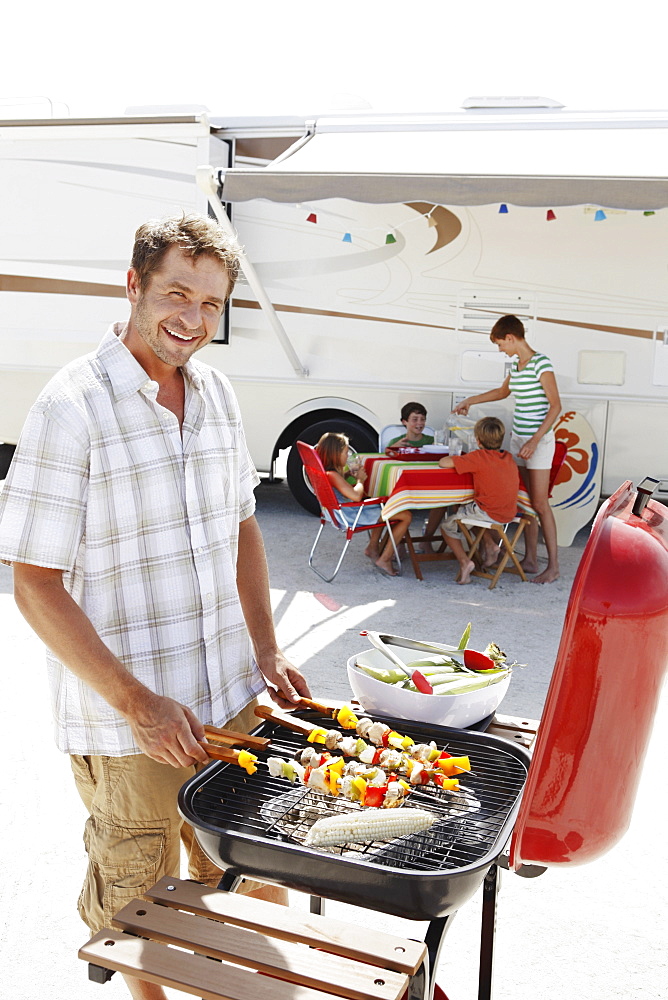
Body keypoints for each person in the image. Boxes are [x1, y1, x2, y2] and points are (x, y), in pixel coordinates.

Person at [0, 214, 311, 1000]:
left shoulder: (219, 393)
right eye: (178, 294)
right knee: (145, 914)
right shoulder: (72, 406)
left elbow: (243, 526)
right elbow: (33, 583)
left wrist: (267, 649)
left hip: (229, 699)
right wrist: (137, 704)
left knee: (249, 876)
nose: (194, 320)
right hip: (128, 723)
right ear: (133, 286)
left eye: (213, 305)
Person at [452, 314, 561, 584]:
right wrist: (471, 400)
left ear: (511, 338)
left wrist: (535, 440)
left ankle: (554, 566)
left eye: (501, 344)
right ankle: (532, 559)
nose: (501, 350)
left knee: (540, 503)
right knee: (523, 501)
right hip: (518, 439)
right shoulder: (517, 365)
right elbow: (503, 392)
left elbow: (556, 406)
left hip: (538, 441)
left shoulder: (541, 364)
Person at [436, 417, 521, 584]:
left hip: (488, 512)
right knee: (466, 512)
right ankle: (490, 545)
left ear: (478, 440)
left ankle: (465, 562)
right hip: (508, 513)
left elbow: (444, 462)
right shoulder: (508, 457)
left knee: (447, 527)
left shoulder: (478, 457)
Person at [315, 431, 411, 578]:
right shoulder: (332, 475)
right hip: (349, 516)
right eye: (345, 453)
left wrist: (347, 475)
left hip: (337, 512)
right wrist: (360, 480)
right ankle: (384, 559)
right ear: (335, 454)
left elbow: (340, 487)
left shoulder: (325, 472)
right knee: (405, 515)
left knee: (386, 507)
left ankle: (373, 548)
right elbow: (355, 496)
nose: (347, 457)